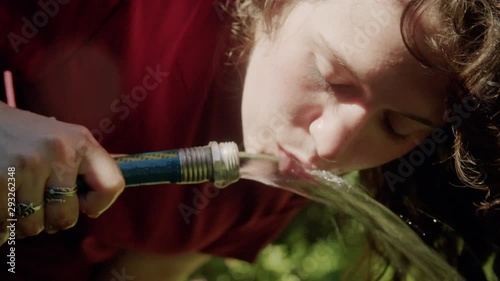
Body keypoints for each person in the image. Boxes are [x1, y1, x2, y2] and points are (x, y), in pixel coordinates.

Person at [0, 0, 497, 280]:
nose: (329, 145)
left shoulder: (285, 166)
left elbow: (144, 269)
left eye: (397, 127)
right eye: (329, 77)